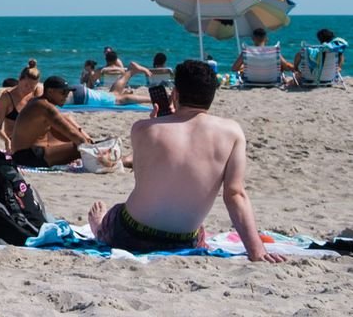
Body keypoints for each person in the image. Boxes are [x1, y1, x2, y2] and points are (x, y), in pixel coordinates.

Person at [86, 59, 284, 261]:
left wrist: (156, 122)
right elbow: (235, 194)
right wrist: (256, 251)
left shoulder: (142, 129)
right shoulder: (232, 132)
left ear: (175, 94)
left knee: (116, 212)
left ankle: (99, 226)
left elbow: (147, 177)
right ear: (211, 96)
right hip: (184, 239)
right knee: (200, 228)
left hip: (131, 234)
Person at [9, 77, 102, 167]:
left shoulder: (37, 102)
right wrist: (92, 149)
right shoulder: (45, 107)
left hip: (23, 153)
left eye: (68, 92)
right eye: (63, 92)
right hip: (27, 156)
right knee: (81, 149)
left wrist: (86, 142)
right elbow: (73, 134)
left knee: (80, 139)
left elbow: (63, 132)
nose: (66, 96)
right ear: (50, 91)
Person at [0, 62, 42, 152]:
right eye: (26, 85)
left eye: (32, 87)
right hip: (15, 142)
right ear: (19, 80)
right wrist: (6, 140)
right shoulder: (7, 97)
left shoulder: (36, 92)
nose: (28, 89)